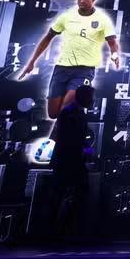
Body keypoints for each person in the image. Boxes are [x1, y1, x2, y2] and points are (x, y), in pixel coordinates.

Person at [49, 84, 94, 241]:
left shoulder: (73, 112)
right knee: (68, 192)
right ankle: (60, 230)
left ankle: (61, 229)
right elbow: (72, 138)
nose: (92, 100)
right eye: (91, 97)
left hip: (68, 159)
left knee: (67, 192)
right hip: (68, 160)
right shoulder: (71, 113)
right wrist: (85, 150)